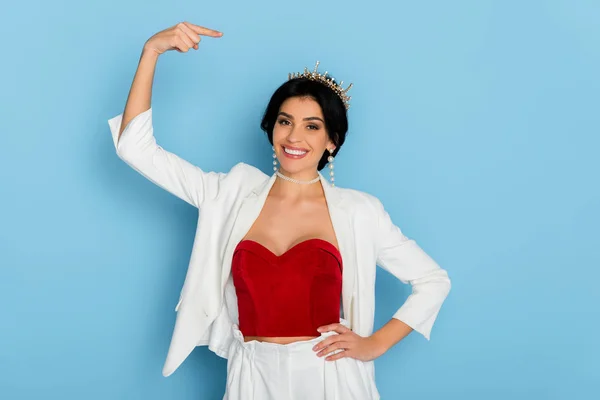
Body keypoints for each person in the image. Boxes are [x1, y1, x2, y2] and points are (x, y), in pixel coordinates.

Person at [108, 21, 451, 400]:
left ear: (332, 142)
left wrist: (375, 344)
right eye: (285, 122)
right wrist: (151, 52)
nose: (294, 137)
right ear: (271, 127)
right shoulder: (229, 193)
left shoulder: (359, 211)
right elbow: (134, 149)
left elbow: (433, 281)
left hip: (329, 378)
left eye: (312, 126)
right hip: (250, 377)